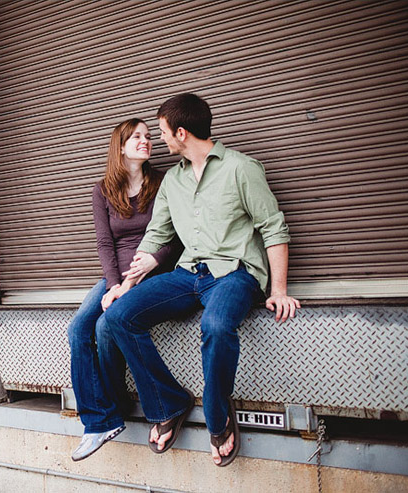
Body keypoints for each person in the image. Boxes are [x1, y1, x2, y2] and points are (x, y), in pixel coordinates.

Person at [100, 93, 301, 467]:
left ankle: (217, 415)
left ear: (181, 132)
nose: (159, 140)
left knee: (216, 324)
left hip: (235, 273)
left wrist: (279, 290)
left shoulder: (241, 168)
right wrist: (125, 287)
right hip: (189, 273)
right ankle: (168, 403)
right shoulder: (172, 182)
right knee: (119, 316)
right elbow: (154, 238)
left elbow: (274, 227)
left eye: (161, 132)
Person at [67, 118, 181, 462]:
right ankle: (98, 421)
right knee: (78, 329)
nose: (145, 141)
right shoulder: (102, 189)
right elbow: (104, 243)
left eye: (149, 136)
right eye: (136, 137)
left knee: (105, 327)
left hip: (155, 271)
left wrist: (151, 262)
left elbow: (176, 237)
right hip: (117, 274)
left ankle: (113, 409)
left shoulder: (163, 183)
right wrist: (115, 284)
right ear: (120, 146)